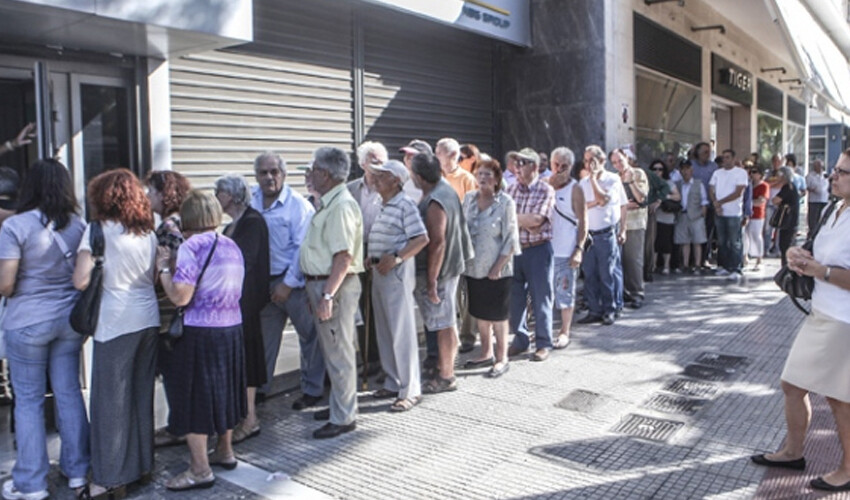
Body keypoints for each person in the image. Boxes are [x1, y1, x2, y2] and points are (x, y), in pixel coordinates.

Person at [751, 150, 850, 493]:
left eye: (842, 172)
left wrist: (820, 271)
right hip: (822, 313)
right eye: (835, 170)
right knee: (793, 385)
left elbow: (830, 269)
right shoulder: (834, 210)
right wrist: (797, 255)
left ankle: (848, 468)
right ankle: (793, 452)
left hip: (844, 321)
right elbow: (814, 251)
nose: (832, 176)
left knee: (840, 398)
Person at [0, 159, 89, 500]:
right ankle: (78, 471)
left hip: (27, 324)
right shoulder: (78, 226)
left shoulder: (16, 227)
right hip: (67, 322)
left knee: (29, 402)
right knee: (68, 394)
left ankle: (31, 483)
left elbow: (6, 286)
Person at [73, 169, 160, 498]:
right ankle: (141, 467)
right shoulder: (147, 233)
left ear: (102, 197)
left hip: (114, 323)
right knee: (139, 397)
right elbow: (152, 278)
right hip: (147, 318)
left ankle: (109, 479)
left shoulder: (96, 231)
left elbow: (80, 281)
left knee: (110, 403)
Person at [157, 190, 246, 490]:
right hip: (231, 329)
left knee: (194, 397)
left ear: (188, 217)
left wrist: (163, 270)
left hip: (199, 332)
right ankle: (225, 450)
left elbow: (181, 297)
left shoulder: (190, 246)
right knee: (225, 391)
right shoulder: (232, 245)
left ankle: (199, 469)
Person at [251, 152, 325, 411]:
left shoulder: (297, 206)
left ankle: (312, 390)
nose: (269, 177)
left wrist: (288, 284)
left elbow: (301, 249)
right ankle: (260, 390)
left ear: (283, 174)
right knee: (265, 339)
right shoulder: (251, 200)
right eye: (263, 172)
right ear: (256, 175)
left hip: (292, 284)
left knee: (309, 336)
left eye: (274, 172)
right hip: (262, 284)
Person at [300, 147, 363, 439]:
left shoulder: (339, 206)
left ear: (324, 174)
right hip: (324, 284)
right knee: (334, 351)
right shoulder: (330, 203)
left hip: (333, 286)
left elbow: (343, 256)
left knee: (340, 353)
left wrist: (326, 296)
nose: (309, 173)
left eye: (312, 169)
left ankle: (344, 416)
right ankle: (340, 404)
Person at [365, 160, 429, 409]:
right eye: (377, 175)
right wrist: (374, 255)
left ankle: (411, 389)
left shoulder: (405, 205)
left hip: (396, 273)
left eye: (382, 176)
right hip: (380, 271)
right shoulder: (382, 204)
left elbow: (421, 238)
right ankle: (393, 382)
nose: (376, 179)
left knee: (401, 332)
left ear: (396, 181)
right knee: (385, 330)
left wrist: (397, 257)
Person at [410, 152, 473, 392]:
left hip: (441, 271)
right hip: (449, 268)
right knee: (446, 322)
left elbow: (438, 242)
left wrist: (432, 280)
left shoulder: (436, 200)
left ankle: (446, 376)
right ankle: (445, 369)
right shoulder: (444, 190)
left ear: (417, 176)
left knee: (444, 323)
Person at [215, 175, 270, 443]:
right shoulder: (230, 227)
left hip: (246, 304)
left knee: (249, 358)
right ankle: (242, 415)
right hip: (233, 305)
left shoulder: (252, 222)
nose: (216, 195)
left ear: (233, 195)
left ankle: (250, 419)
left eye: (220, 191)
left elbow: (243, 260)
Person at [144, 170, 191, 448]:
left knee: (174, 373)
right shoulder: (183, 222)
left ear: (165, 194)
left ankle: (179, 427)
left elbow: (169, 270)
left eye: (152, 191)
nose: (148, 197)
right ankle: (180, 424)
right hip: (178, 310)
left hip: (168, 312)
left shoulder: (167, 229)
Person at [462, 159, 520, 377]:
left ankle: (501, 357)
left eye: (488, 174)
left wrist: (498, 266)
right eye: (480, 174)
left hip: (498, 269)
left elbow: (511, 238)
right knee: (480, 312)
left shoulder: (505, 203)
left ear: (497, 179)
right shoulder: (468, 199)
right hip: (473, 267)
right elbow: (460, 228)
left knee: (498, 315)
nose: (483, 178)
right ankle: (485, 351)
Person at [505, 148, 556, 360]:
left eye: (522, 164)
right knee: (514, 298)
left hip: (538, 250)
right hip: (515, 249)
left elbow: (537, 221)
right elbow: (503, 219)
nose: (517, 168)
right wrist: (524, 220)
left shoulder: (545, 190)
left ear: (534, 167)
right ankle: (521, 339)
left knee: (541, 297)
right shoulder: (510, 189)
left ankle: (544, 343)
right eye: (516, 164)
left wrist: (516, 219)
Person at [347, 141, 388, 376]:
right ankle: (368, 358)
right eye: (373, 160)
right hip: (356, 250)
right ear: (363, 163)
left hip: (382, 251)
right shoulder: (351, 189)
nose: (378, 166)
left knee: (382, 308)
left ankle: (385, 361)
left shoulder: (391, 187)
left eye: (381, 161)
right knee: (361, 307)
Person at [579, 145, 627, 326]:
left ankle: (610, 309)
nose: (588, 164)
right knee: (589, 274)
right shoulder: (581, 183)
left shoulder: (612, 179)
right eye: (586, 160)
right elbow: (580, 206)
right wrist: (593, 202)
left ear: (601, 161)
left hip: (606, 234)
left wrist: (593, 179)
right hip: (588, 235)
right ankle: (594, 309)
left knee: (607, 274)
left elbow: (604, 199)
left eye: (592, 160)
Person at [548, 147, 586, 349]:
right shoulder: (545, 185)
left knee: (565, 292)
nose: (559, 169)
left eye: (564, 166)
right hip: (545, 250)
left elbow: (583, 221)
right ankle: (543, 330)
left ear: (571, 167)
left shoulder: (575, 188)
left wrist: (579, 249)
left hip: (566, 250)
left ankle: (564, 330)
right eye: (556, 165)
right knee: (544, 293)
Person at [610, 148, 648, 308]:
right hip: (618, 223)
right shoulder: (613, 178)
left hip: (635, 224)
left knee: (634, 259)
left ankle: (637, 292)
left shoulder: (638, 173)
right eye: (614, 162)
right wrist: (625, 205)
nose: (618, 165)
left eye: (620, 160)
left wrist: (631, 181)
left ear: (626, 158)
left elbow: (641, 198)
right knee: (619, 261)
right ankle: (622, 293)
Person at [709, 153, 748, 280]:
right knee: (722, 241)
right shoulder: (717, 173)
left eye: (728, 157)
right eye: (723, 158)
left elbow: (738, 192)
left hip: (734, 212)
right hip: (720, 212)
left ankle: (736, 267)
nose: (725, 160)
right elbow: (711, 188)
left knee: (734, 241)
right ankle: (724, 266)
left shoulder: (740, 173)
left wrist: (720, 202)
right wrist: (715, 203)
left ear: (733, 159)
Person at [674, 160, 708, 273]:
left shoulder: (698, 184)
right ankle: (685, 264)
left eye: (687, 168)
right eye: (683, 169)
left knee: (697, 241)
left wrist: (702, 215)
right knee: (684, 242)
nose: (685, 171)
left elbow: (704, 201)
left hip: (696, 216)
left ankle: (698, 265)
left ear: (691, 170)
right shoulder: (677, 184)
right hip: (682, 215)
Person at [650, 159, 681, 274]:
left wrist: (664, 196)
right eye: (655, 169)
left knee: (666, 242)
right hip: (653, 216)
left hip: (666, 216)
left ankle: (666, 266)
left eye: (660, 169)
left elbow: (678, 196)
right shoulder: (649, 182)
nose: (657, 172)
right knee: (654, 242)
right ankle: (652, 265)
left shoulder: (668, 183)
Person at [692, 142, 718, 268]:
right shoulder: (691, 166)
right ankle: (692, 260)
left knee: (707, 232)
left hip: (709, 205)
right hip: (693, 205)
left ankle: (704, 258)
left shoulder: (714, 167)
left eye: (709, 152)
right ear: (698, 153)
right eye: (705, 152)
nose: (707, 155)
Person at [771, 166, 800, 267]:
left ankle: (787, 268)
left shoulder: (788, 187)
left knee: (786, 246)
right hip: (789, 222)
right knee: (784, 245)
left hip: (789, 221)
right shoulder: (790, 187)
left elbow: (775, 200)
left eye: (780, 175)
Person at [744, 166, 768, 272]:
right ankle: (745, 257)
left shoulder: (764, 186)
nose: (752, 174)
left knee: (756, 235)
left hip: (757, 215)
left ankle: (759, 259)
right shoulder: (748, 185)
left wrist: (748, 203)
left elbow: (761, 201)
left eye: (755, 172)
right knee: (745, 236)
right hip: (747, 214)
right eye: (751, 172)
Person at [807, 159, 830, 234]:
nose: (819, 167)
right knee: (813, 219)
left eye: (820, 166)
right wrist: (812, 189)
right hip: (814, 200)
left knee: (823, 218)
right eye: (817, 166)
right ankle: (812, 233)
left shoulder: (826, 175)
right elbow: (807, 187)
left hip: (824, 200)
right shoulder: (810, 176)